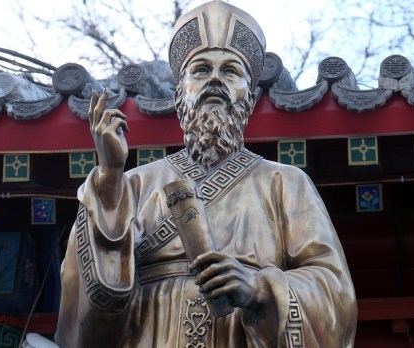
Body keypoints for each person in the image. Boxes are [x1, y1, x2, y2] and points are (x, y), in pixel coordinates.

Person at [55, 1, 357, 347]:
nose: (215, 79)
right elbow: (84, 313)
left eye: (230, 71)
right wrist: (109, 180)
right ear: (179, 92)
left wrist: (260, 288)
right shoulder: (134, 184)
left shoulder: (285, 183)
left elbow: (336, 295)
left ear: (251, 96)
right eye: (200, 70)